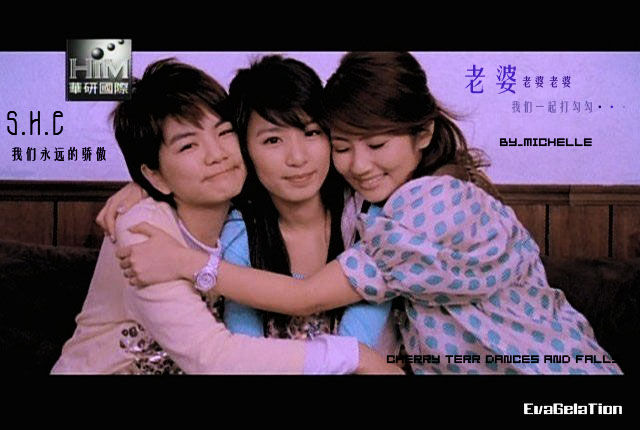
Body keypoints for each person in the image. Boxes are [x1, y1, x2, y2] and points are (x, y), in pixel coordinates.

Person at [116, 52, 621, 375]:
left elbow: (307, 298)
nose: (357, 164)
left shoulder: (419, 208)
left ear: (423, 134)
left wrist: (187, 262)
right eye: (343, 146)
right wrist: (142, 189)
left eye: (376, 144)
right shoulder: (361, 201)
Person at [51, 58, 402, 374]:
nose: (216, 154)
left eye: (224, 133)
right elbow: (213, 359)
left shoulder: (256, 205)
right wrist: (354, 356)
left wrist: (141, 186)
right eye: (189, 145)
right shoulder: (143, 232)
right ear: (154, 174)